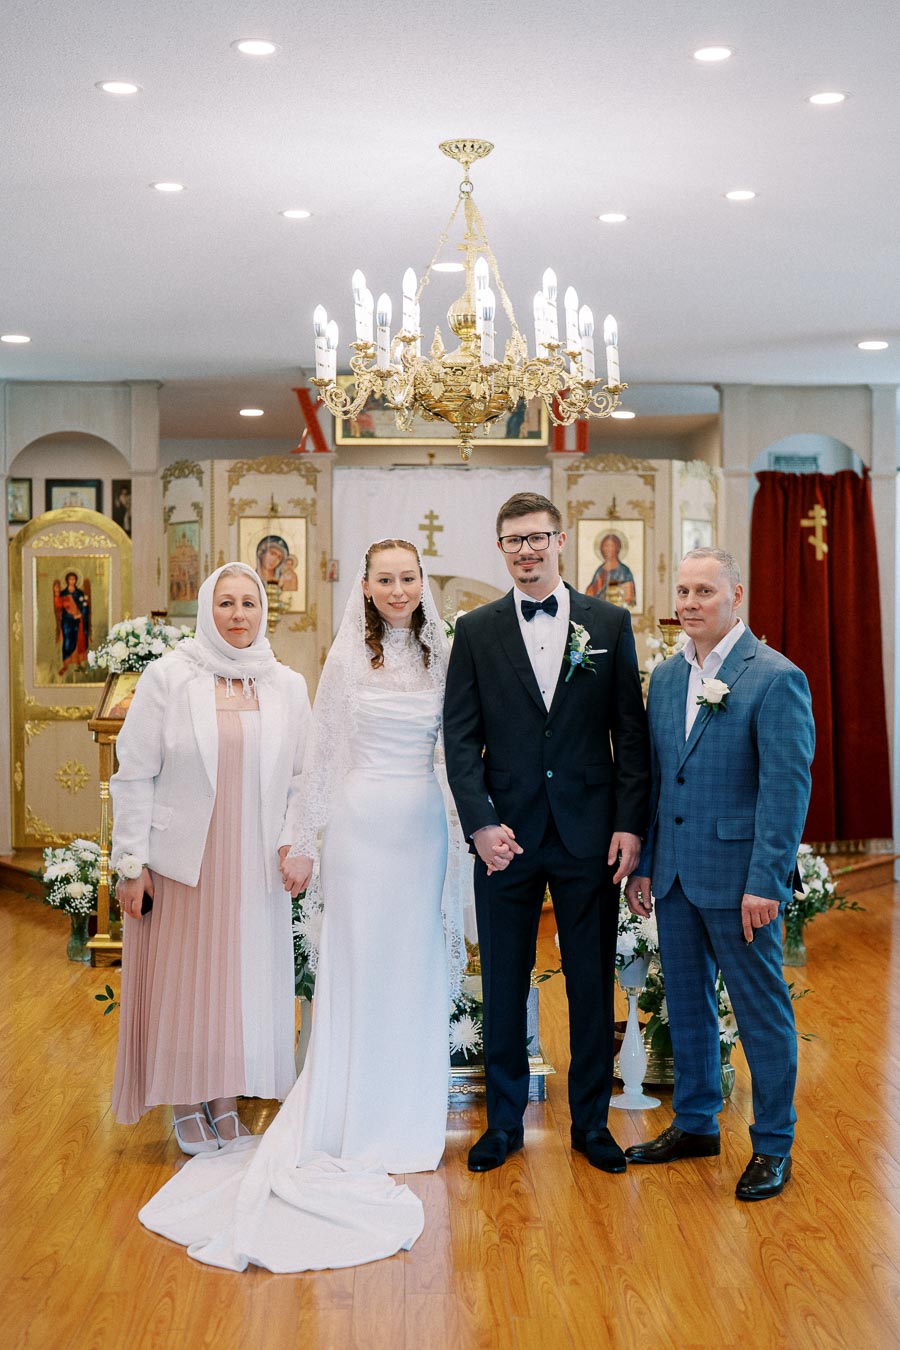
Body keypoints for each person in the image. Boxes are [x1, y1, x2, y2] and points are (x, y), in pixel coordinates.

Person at [135, 539, 463, 1272]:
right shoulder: (346, 659)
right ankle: (342, 1112)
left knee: (412, 971)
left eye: (409, 578)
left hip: (421, 828)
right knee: (355, 968)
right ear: (368, 586)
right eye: (386, 578)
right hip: (360, 826)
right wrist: (304, 840)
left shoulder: (445, 655)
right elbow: (323, 755)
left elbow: (459, 747)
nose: (399, 588)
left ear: (421, 584)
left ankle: (406, 1120)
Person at [443, 492, 650, 1174]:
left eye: (537, 538)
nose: (526, 550)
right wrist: (480, 825)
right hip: (506, 838)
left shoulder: (609, 623)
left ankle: (591, 1126)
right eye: (514, 540)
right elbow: (461, 738)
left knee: (590, 984)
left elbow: (631, 734)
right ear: (500, 548)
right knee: (504, 982)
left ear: (561, 542)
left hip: (590, 835)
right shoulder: (474, 631)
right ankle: (503, 1125)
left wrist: (628, 826)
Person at [624, 547, 814, 1201]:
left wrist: (767, 879)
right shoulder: (669, 678)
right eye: (681, 591)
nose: (689, 603)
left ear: (736, 595)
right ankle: (698, 1123)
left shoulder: (773, 677)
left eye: (704, 590)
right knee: (687, 1005)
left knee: (762, 1014)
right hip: (674, 876)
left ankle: (772, 1145)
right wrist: (645, 865)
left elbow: (785, 792)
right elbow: (656, 779)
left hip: (740, 883)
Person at [110, 562, 311, 1153]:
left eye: (249, 603)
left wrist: (297, 844)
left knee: (241, 985)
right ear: (206, 609)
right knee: (185, 982)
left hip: (256, 861)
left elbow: (305, 778)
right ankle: (182, 1102)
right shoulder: (169, 678)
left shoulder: (286, 684)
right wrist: (130, 862)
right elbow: (134, 775)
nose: (239, 615)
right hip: (183, 861)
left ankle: (226, 1102)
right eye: (226, 603)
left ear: (264, 611)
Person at [54, 571, 91, 674]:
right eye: (70, 579)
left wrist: (80, 614)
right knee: (67, 642)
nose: (72, 581)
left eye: (74, 579)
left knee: (78, 641)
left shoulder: (79, 593)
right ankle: (65, 665)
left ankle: (78, 663)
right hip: (67, 621)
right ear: (67, 580)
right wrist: (57, 595)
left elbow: (85, 607)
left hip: (77, 621)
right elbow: (59, 608)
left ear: (76, 580)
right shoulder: (63, 593)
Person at [586, 531, 636, 604]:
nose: (607, 549)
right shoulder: (599, 571)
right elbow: (590, 595)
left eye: (611, 546)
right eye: (605, 546)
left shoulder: (624, 571)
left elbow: (629, 597)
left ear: (617, 548)